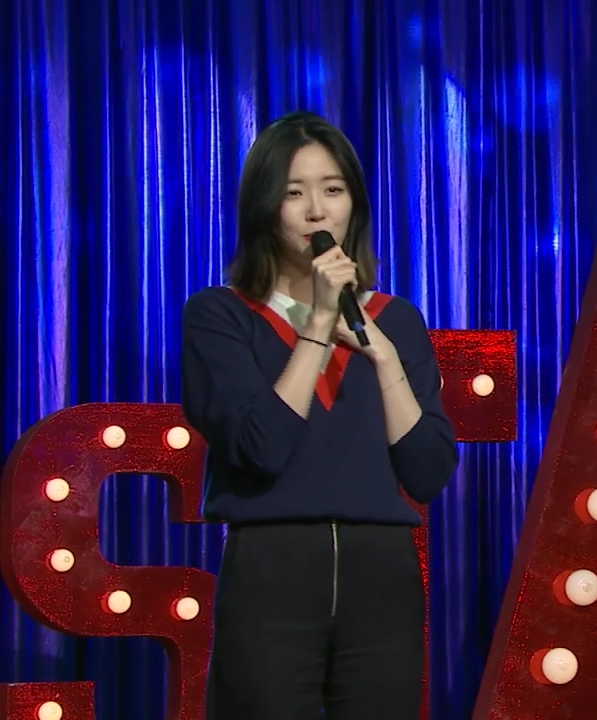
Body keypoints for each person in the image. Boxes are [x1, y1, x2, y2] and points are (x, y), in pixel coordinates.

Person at [179, 111, 458, 719]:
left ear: (353, 204)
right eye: (293, 193)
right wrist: (318, 324)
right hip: (272, 571)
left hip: (382, 577)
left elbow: (427, 471)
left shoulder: (396, 319)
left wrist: (384, 357)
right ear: (263, 208)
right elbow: (261, 447)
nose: (316, 212)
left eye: (333, 190)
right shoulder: (220, 316)